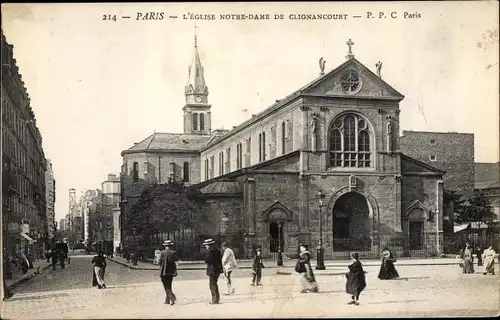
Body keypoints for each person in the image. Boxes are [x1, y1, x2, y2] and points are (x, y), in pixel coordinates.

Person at [203, 239, 223, 305]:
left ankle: (214, 300)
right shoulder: (217, 250)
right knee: (215, 283)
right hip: (217, 269)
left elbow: (207, 260)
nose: (205, 246)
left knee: (212, 284)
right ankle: (216, 298)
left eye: (206, 245)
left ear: (208, 245)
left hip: (212, 269)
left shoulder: (209, 251)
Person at [159, 240, 178, 305]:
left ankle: (172, 298)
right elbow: (176, 260)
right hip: (171, 272)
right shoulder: (174, 252)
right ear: (171, 246)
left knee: (165, 286)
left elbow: (159, 262)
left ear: (165, 246)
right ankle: (167, 300)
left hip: (163, 272)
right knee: (169, 285)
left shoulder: (162, 252)